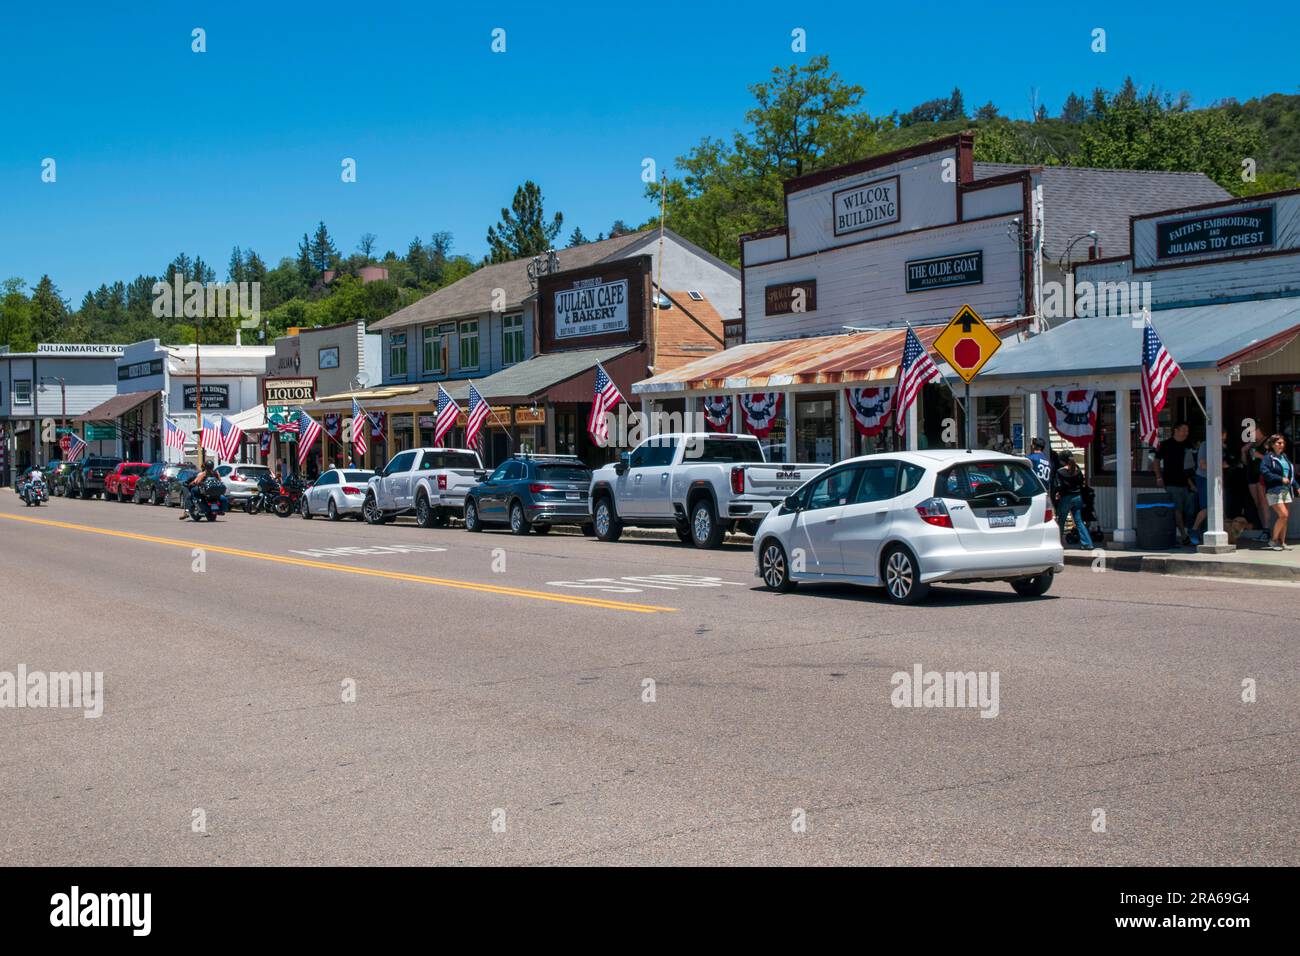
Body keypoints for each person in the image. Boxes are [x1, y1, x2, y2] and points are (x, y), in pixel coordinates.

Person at [1154, 422, 1196, 546]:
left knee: (1191, 510)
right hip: (1172, 482)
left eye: (1187, 431)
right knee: (1177, 509)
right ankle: (1183, 535)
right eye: (1183, 430)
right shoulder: (1166, 444)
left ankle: (1192, 532)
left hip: (1189, 482)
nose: (1186, 433)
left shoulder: (1189, 444)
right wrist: (1158, 477)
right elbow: (1156, 461)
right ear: (1175, 430)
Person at [1259, 434, 1298, 551]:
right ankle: (1273, 540)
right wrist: (1280, 479)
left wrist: (1297, 487)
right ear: (1272, 444)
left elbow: (1290, 476)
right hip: (1274, 490)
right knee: (1283, 515)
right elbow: (1264, 472)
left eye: (1283, 443)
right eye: (1279, 443)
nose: (1282, 445)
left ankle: (1282, 542)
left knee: (1285, 517)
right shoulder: (1268, 458)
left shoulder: (1284, 457)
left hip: (1286, 490)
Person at [1191, 428, 1229, 545]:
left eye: (1224, 436)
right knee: (1207, 507)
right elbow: (1202, 465)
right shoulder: (1205, 445)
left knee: (1218, 506)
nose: (1223, 438)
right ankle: (1194, 530)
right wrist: (1220, 466)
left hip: (1217, 479)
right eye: (1221, 435)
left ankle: (1208, 530)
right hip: (1204, 478)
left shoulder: (1223, 447)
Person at [1053, 450, 1093, 550]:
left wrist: (1057, 494)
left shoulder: (1060, 472)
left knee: (1060, 521)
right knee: (1079, 521)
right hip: (1078, 497)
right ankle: (1087, 543)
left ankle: (1057, 543)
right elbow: (1081, 482)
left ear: (1062, 461)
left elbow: (1057, 486)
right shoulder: (1077, 469)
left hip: (1066, 498)